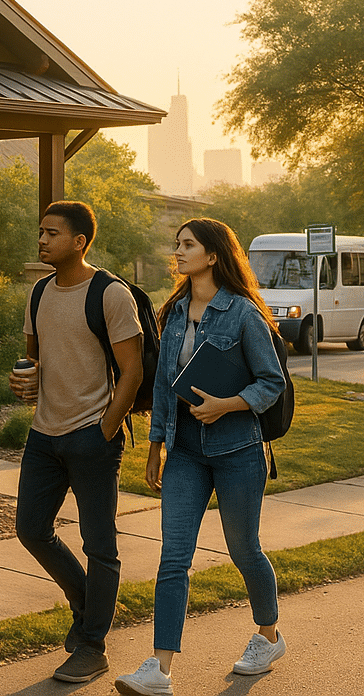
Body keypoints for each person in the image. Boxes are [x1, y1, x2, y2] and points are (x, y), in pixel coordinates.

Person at [115, 218, 287, 696]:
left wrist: (226, 404)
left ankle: (269, 637)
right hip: (186, 451)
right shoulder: (173, 312)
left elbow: (271, 382)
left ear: (213, 255)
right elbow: (163, 387)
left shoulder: (243, 313)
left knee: (244, 549)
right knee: (174, 557)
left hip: (238, 450)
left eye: (187, 245)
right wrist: (156, 446)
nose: (178, 251)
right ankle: (160, 668)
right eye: (177, 244)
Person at [9, 200, 143, 684]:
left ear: (79, 241)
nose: (42, 240)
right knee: (31, 529)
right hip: (43, 436)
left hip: (92, 438)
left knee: (100, 546)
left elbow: (132, 371)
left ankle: (92, 646)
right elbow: (34, 358)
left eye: (52, 233)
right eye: (40, 232)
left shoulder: (110, 294)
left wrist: (104, 429)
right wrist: (25, 380)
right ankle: (88, 602)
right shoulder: (39, 292)